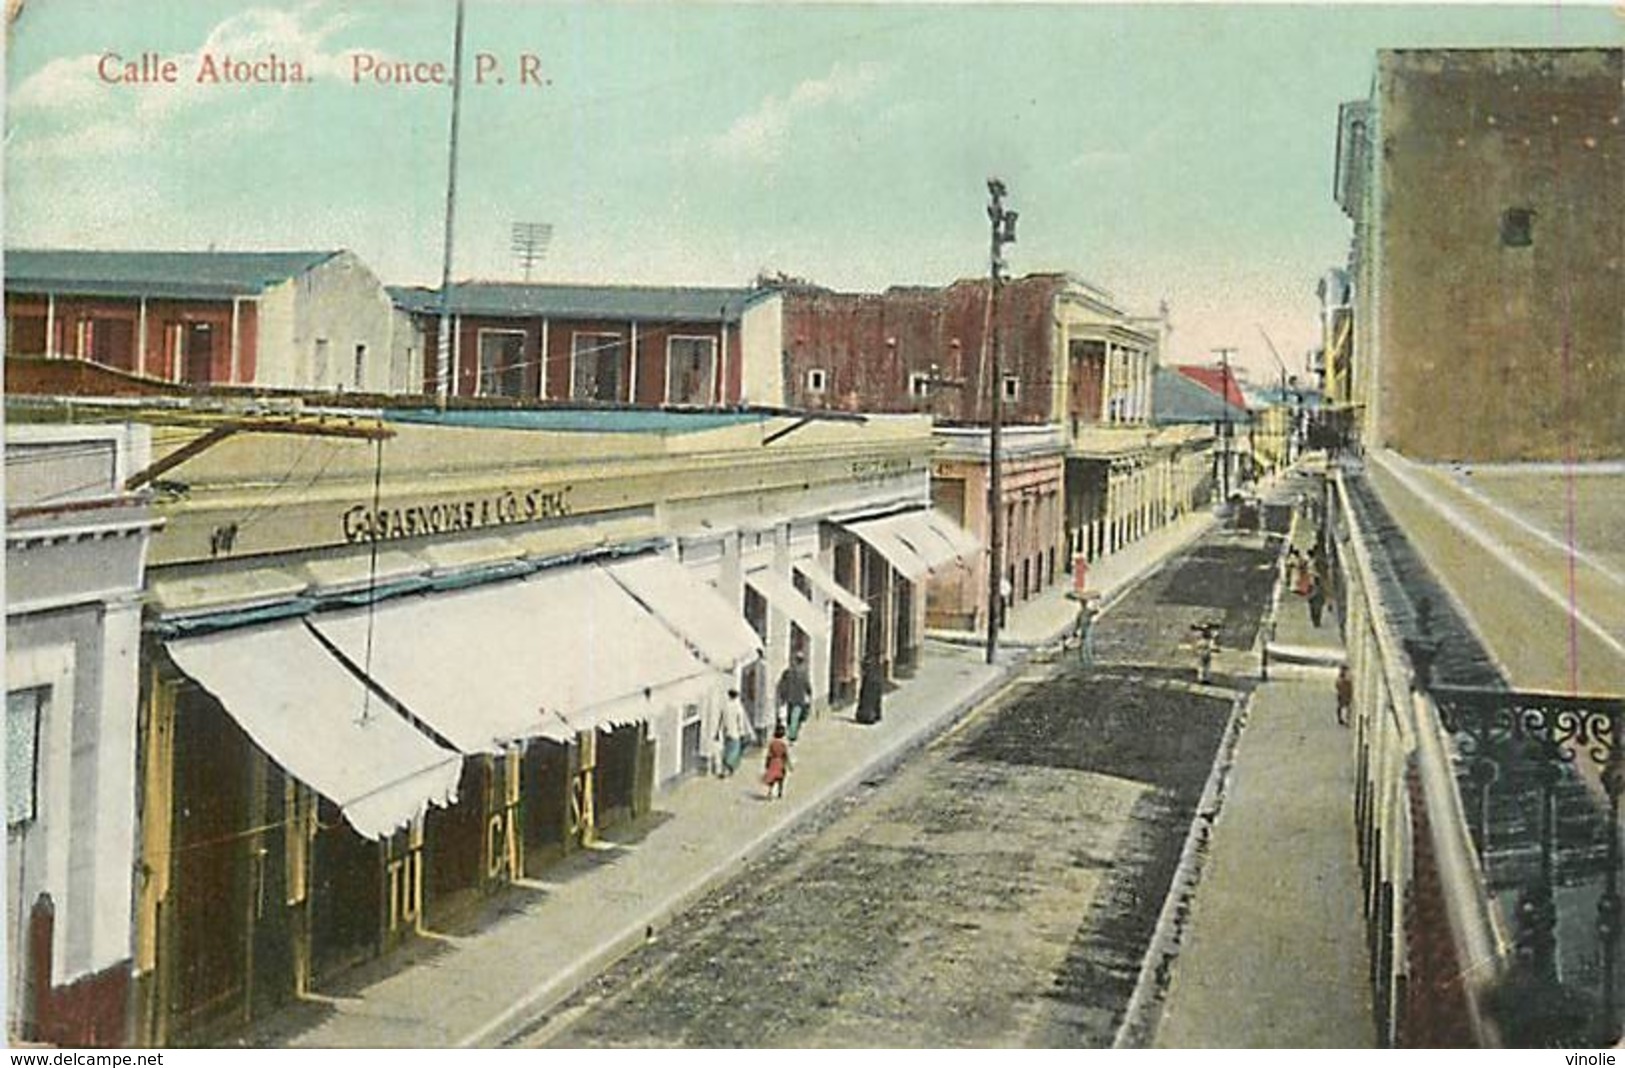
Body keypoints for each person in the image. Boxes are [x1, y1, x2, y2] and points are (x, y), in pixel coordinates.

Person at [776, 652, 812, 743]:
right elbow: (807, 685)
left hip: (790, 698)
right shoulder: (804, 672)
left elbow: (783, 684)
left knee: (791, 716)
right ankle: (792, 735)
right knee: (796, 717)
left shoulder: (788, 672)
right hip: (799, 698)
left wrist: (783, 695)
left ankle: (791, 732)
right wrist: (809, 693)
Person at [719, 688, 748, 777]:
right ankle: (729, 765)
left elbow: (721, 718)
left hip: (726, 732)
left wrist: (719, 730)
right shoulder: (738, 707)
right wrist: (742, 732)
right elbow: (740, 721)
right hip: (735, 733)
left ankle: (725, 769)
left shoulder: (725, 706)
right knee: (734, 751)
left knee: (726, 750)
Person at [762, 723, 791, 800]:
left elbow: (769, 754)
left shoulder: (772, 743)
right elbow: (786, 755)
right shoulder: (783, 744)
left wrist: (767, 764)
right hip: (780, 762)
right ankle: (780, 792)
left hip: (773, 762)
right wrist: (789, 765)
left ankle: (770, 792)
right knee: (781, 778)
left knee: (772, 779)